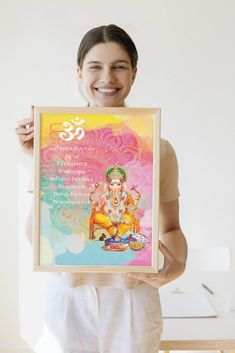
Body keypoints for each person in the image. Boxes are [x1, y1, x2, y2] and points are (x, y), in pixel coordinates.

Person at [16, 24, 187, 353]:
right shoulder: (56, 140)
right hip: (68, 296)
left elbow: (171, 228)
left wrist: (176, 266)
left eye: (119, 66)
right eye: (95, 66)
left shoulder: (158, 147)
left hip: (133, 298)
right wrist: (41, 163)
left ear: (134, 73)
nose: (107, 78)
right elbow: (35, 235)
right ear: (79, 72)